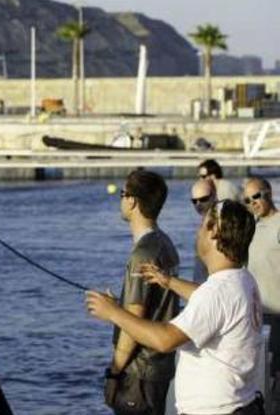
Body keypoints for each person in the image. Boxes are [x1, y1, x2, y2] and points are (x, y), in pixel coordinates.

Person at [86, 200, 264, 415]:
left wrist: (114, 313)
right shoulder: (241, 279)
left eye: (202, 224)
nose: (197, 232)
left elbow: (165, 340)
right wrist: (168, 281)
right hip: (242, 404)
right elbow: (210, 303)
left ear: (214, 231)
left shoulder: (217, 292)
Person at [106, 170, 180, 415]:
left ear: (132, 201)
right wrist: (118, 306)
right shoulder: (165, 243)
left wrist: (114, 372)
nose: (121, 199)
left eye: (122, 194)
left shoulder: (142, 254)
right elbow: (153, 303)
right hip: (161, 368)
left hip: (140, 372)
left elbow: (134, 321)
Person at [243, 176, 280, 401]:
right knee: (258, 381)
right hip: (256, 317)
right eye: (247, 200)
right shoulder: (251, 227)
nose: (253, 203)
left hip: (278, 317)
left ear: (269, 193)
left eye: (256, 196)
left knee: (275, 380)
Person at [190, 178, 217, 283]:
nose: (199, 204)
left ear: (214, 195)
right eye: (194, 201)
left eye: (203, 199)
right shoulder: (203, 222)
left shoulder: (221, 223)